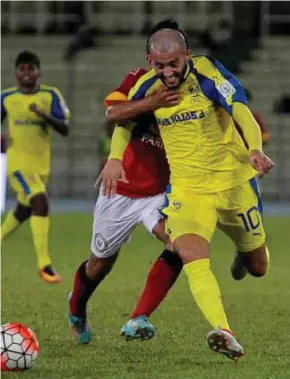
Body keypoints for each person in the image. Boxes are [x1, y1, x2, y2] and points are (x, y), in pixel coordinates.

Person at [101, 19, 274, 361]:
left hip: (234, 184)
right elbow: (124, 121)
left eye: (174, 64)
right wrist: (114, 158)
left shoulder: (209, 73)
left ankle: (243, 253)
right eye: (160, 65)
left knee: (257, 266)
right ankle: (225, 332)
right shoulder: (148, 86)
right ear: (150, 61)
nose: (167, 73)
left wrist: (254, 148)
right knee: (192, 254)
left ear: (187, 56)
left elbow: (240, 109)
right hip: (188, 191)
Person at [68, 67, 183, 344]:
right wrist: (153, 102)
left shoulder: (194, 87)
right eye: (160, 58)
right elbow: (114, 114)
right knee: (99, 265)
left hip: (160, 192)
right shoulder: (139, 79)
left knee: (180, 243)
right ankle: (76, 308)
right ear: (151, 57)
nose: (168, 65)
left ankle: (139, 317)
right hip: (120, 189)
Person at [1, 51, 70, 283]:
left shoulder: (50, 95)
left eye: (31, 69)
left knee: (24, 209)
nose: (27, 74)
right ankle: (44, 264)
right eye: (22, 69)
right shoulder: (6, 98)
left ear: (39, 71)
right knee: (40, 201)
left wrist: (44, 115)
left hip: (41, 166)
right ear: (16, 73)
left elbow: (64, 128)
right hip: (18, 166)